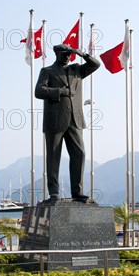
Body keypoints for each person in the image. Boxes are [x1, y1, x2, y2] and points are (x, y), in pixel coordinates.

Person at [35, 44, 100, 203]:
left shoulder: (77, 70)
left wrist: (82, 54)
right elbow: (39, 91)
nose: (68, 57)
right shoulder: (47, 71)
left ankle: (77, 192)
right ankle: (54, 193)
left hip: (75, 120)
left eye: (70, 54)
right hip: (55, 120)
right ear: (57, 54)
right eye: (65, 54)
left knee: (80, 153)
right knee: (53, 157)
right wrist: (60, 92)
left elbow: (96, 65)